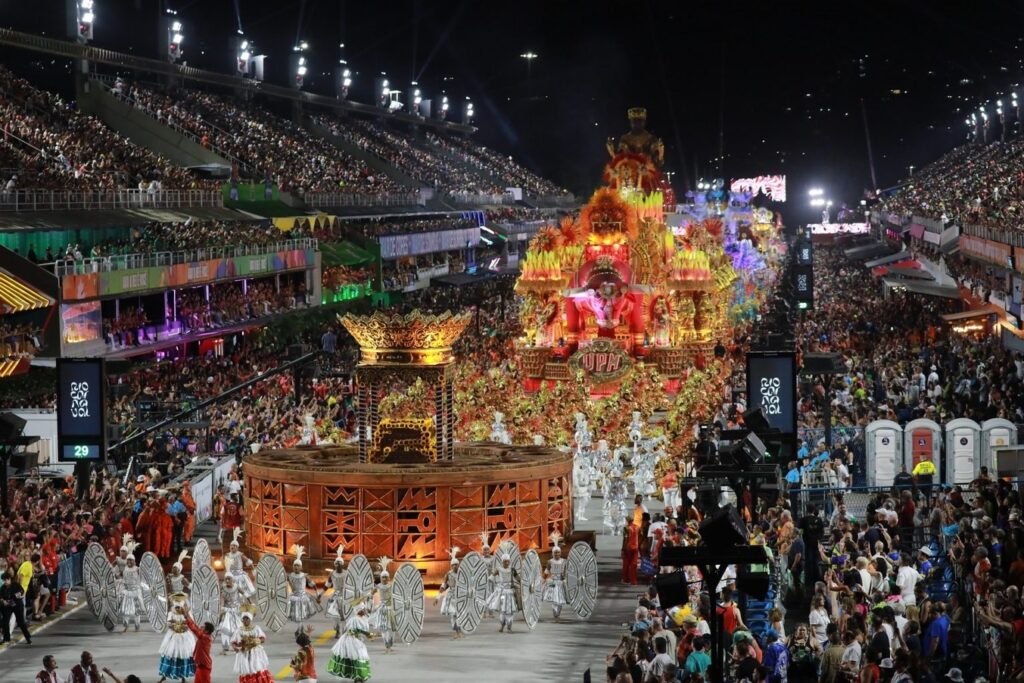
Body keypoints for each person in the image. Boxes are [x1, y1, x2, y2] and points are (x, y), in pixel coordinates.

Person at [328, 600, 373, 682]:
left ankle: (359, 676)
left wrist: (367, 635)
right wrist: (367, 634)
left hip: (358, 640)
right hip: (351, 640)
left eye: (364, 609)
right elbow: (353, 630)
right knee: (357, 657)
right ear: (360, 611)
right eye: (363, 609)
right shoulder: (354, 619)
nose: (365, 610)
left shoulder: (363, 618)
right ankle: (358, 676)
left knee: (359, 657)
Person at [157, 594, 196, 683]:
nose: (178, 609)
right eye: (176, 607)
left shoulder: (187, 614)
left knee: (183, 656)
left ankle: (182, 677)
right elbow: (169, 624)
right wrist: (175, 627)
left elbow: (190, 623)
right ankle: (164, 675)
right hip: (173, 637)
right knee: (169, 655)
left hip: (184, 637)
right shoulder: (171, 613)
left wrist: (183, 627)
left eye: (179, 607)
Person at [231, 608, 273, 683]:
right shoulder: (238, 630)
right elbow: (233, 642)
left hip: (256, 653)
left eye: (247, 618)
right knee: (247, 671)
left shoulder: (256, 628)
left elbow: (263, 638)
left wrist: (256, 641)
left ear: (250, 619)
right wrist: (235, 648)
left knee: (257, 669)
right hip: (244, 654)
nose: (245, 620)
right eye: (244, 619)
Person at [287, 547, 321, 636]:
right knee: (297, 615)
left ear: (301, 567)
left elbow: (314, 586)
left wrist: (318, 595)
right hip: (294, 596)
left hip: (303, 597)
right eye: (295, 565)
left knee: (300, 615)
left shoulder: (305, 576)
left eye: (298, 565)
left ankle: (299, 629)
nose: (296, 567)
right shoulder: (289, 576)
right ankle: (300, 627)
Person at [182, 604, 214, 683]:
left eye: (203, 627)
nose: (200, 627)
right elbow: (195, 626)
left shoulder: (206, 638)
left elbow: (194, 629)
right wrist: (187, 615)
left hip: (204, 666)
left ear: (206, 631)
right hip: (200, 665)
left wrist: (186, 617)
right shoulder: (204, 636)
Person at [369, 557, 395, 653]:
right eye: (382, 577)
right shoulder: (378, 586)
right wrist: (369, 603)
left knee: (391, 629)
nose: (384, 578)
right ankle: (386, 645)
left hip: (390, 609)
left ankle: (390, 642)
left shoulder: (392, 586)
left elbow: (397, 596)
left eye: (385, 577)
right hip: (381, 609)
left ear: (388, 578)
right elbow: (370, 594)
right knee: (383, 628)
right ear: (380, 578)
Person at [488, 553, 518, 633]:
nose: (507, 563)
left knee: (509, 610)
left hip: (510, 593)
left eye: (508, 561)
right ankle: (502, 626)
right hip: (502, 594)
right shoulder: (498, 569)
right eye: (505, 561)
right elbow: (491, 577)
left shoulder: (512, 569)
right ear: (502, 561)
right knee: (502, 609)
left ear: (510, 561)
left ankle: (509, 627)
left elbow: (518, 579)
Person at [437, 547, 462, 639]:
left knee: (459, 614)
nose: (455, 566)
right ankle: (456, 631)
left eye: (456, 564)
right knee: (453, 614)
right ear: (451, 566)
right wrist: (437, 597)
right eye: (453, 565)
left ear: (458, 565)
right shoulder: (448, 574)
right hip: (451, 596)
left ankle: (459, 631)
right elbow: (444, 585)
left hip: (460, 596)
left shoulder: (462, 574)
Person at [1, 570, 32, 644]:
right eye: (3, 580)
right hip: (7, 606)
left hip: (17, 605)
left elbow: (21, 591)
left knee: (21, 622)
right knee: (5, 621)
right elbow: (1, 596)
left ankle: (28, 637)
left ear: (9, 579)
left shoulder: (15, 585)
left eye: (6, 580)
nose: (5, 582)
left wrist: (15, 596)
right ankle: (6, 638)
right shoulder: (2, 588)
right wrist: (3, 601)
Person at [543, 535, 568, 620]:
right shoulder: (550, 562)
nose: (557, 554)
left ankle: (558, 611)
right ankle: (554, 610)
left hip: (560, 582)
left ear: (560, 553)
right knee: (554, 599)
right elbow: (546, 571)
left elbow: (566, 571)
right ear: (552, 553)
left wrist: (565, 578)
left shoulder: (564, 561)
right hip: (553, 582)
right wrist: (543, 579)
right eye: (555, 553)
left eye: (558, 552)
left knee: (560, 599)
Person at [219, 575, 244, 655]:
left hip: (237, 611)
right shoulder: (223, 589)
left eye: (228, 579)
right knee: (224, 628)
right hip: (227, 611)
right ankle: (225, 648)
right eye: (226, 579)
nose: (227, 580)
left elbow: (245, 594)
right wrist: (221, 608)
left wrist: (251, 604)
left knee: (238, 628)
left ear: (232, 579)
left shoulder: (236, 587)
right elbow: (222, 600)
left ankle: (239, 645)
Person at [325, 547, 347, 636]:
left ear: (342, 564)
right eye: (336, 564)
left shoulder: (346, 574)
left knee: (344, 615)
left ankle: (344, 630)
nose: (337, 565)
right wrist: (320, 594)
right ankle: (337, 629)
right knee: (335, 614)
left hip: (344, 596)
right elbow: (327, 585)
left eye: (339, 563)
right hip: (335, 596)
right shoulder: (332, 574)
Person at [622, 519, 640, 585]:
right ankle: (634, 581)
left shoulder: (626, 528)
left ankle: (625, 579)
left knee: (626, 564)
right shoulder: (637, 527)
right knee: (634, 564)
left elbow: (625, 539)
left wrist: (623, 549)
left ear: (627, 521)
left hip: (628, 547)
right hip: (636, 547)